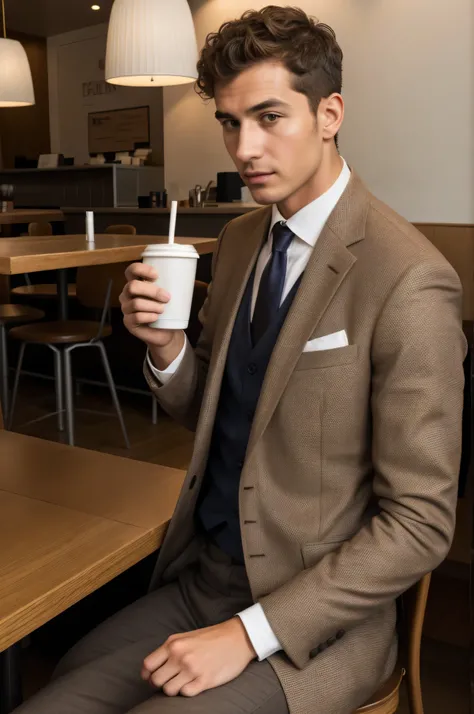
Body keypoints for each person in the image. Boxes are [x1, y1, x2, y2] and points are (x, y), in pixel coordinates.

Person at [16, 6, 466, 714]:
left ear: (329, 114)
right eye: (230, 122)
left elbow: (418, 523)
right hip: (205, 577)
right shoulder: (236, 243)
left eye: (269, 117)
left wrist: (249, 634)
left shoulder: (408, 279)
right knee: (57, 694)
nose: (244, 148)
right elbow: (221, 416)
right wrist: (167, 352)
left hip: (315, 625)